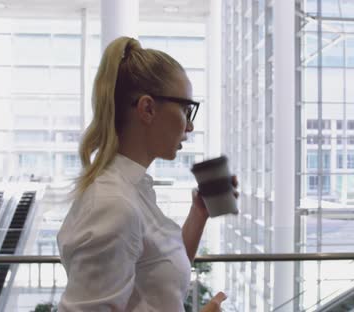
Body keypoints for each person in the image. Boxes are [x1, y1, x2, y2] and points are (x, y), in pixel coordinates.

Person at [56, 36, 237, 311]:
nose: (189, 126)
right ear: (148, 108)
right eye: (186, 110)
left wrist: (198, 215)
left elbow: (157, 276)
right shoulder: (114, 204)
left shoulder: (133, 189)